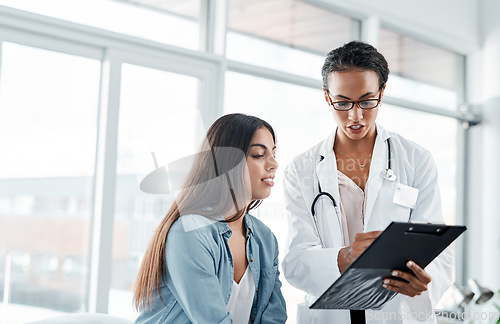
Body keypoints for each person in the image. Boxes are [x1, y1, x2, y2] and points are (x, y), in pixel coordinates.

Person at [282, 41, 452, 323]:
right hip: (331, 315)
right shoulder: (301, 170)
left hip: (395, 313)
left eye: (366, 101)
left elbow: (435, 246)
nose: (355, 116)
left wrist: (424, 282)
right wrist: (344, 256)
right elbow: (296, 261)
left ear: (382, 92)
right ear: (327, 97)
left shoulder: (416, 159)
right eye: (343, 102)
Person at [133, 113, 287, 323]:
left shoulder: (265, 238)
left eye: (274, 154)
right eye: (259, 155)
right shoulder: (189, 232)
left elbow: (274, 317)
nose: (274, 164)